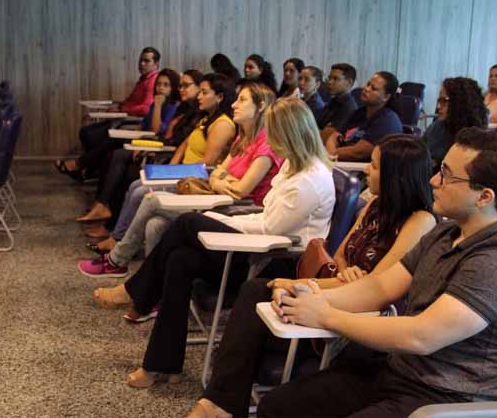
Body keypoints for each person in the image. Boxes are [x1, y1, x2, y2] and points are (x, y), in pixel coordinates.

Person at [243, 127, 497, 418]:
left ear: (484, 197)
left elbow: (422, 336)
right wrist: (307, 294)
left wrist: (325, 315)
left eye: (447, 175)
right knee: (279, 407)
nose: (435, 180)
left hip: (450, 402)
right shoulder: (447, 232)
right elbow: (381, 288)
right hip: (402, 376)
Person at [92, 97, 336, 389]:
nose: (269, 139)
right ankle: (161, 363)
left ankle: (135, 293)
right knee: (179, 260)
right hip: (256, 247)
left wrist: (218, 221)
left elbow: (269, 230)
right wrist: (215, 220)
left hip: (273, 262)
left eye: (274, 133)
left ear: (291, 135)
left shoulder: (310, 180)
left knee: (187, 223)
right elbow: (264, 217)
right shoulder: (293, 166)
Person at [190, 135, 437, 418]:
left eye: (376, 166)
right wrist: (344, 273)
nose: (367, 170)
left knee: (259, 296)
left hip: (363, 318)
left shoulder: (421, 221)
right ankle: (220, 402)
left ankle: (220, 402)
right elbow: (341, 255)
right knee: (254, 290)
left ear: (398, 176)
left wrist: (302, 284)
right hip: (339, 292)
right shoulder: (374, 206)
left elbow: (376, 286)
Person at [77, 83, 282, 284]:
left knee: (151, 200)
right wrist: (220, 181)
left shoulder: (266, 144)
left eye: (242, 100)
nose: (234, 105)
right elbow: (217, 172)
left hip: (239, 212)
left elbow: (240, 190)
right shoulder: (243, 139)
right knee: (154, 225)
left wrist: (221, 180)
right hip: (219, 200)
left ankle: (116, 260)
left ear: (261, 105)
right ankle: (154, 290)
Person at [88, 74, 237, 249]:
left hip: (195, 180)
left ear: (219, 97)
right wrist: (171, 168)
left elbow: (206, 165)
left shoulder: (223, 125)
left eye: (204, 92)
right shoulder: (206, 118)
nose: (199, 96)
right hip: (182, 172)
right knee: (135, 184)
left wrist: (174, 175)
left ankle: (118, 240)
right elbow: (184, 144)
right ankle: (118, 236)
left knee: (139, 191)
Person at [81, 70, 204, 240]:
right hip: (166, 155)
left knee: (126, 174)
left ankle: (115, 232)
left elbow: (169, 138)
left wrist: (164, 160)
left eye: (186, 85)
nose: (181, 89)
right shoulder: (185, 109)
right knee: (117, 161)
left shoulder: (197, 114)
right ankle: (111, 224)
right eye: (180, 85)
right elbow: (170, 139)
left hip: (172, 160)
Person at [75, 69, 180, 223]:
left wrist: (158, 106)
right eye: (158, 84)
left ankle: (99, 200)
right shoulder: (154, 104)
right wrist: (134, 137)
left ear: (173, 87)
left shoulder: (174, 106)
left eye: (166, 85)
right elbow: (143, 125)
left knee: (117, 152)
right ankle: (101, 204)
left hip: (157, 147)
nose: (161, 88)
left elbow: (157, 130)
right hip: (144, 141)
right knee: (111, 154)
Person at [55, 47, 160, 179]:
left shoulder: (153, 81)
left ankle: (86, 169)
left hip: (132, 122)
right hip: (124, 118)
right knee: (86, 132)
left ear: (156, 64)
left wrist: (122, 109)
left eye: (146, 61)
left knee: (91, 135)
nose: (141, 64)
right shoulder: (143, 79)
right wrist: (119, 106)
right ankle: (90, 170)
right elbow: (131, 101)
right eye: (140, 60)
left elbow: (145, 108)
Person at [323, 71, 403, 162]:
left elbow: (359, 153)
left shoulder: (388, 120)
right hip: (340, 161)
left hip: (362, 169)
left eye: (373, 88)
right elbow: (334, 136)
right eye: (368, 84)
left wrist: (333, 154)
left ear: (386, 97)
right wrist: (331, 153)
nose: (366, 89)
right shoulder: (359, 112)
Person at [422, 77, 488, 170]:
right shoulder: (437, 126)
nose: (438, 106)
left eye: (444, 101)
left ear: (459, 103)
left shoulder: (475, 137)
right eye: (439, 100)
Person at [317, 63, 357, 131]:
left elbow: (329, 135)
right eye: (329, 78)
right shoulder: (333, 100)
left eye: (335, 79)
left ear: (349, 82)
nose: (329, 82)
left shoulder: (348, 108)